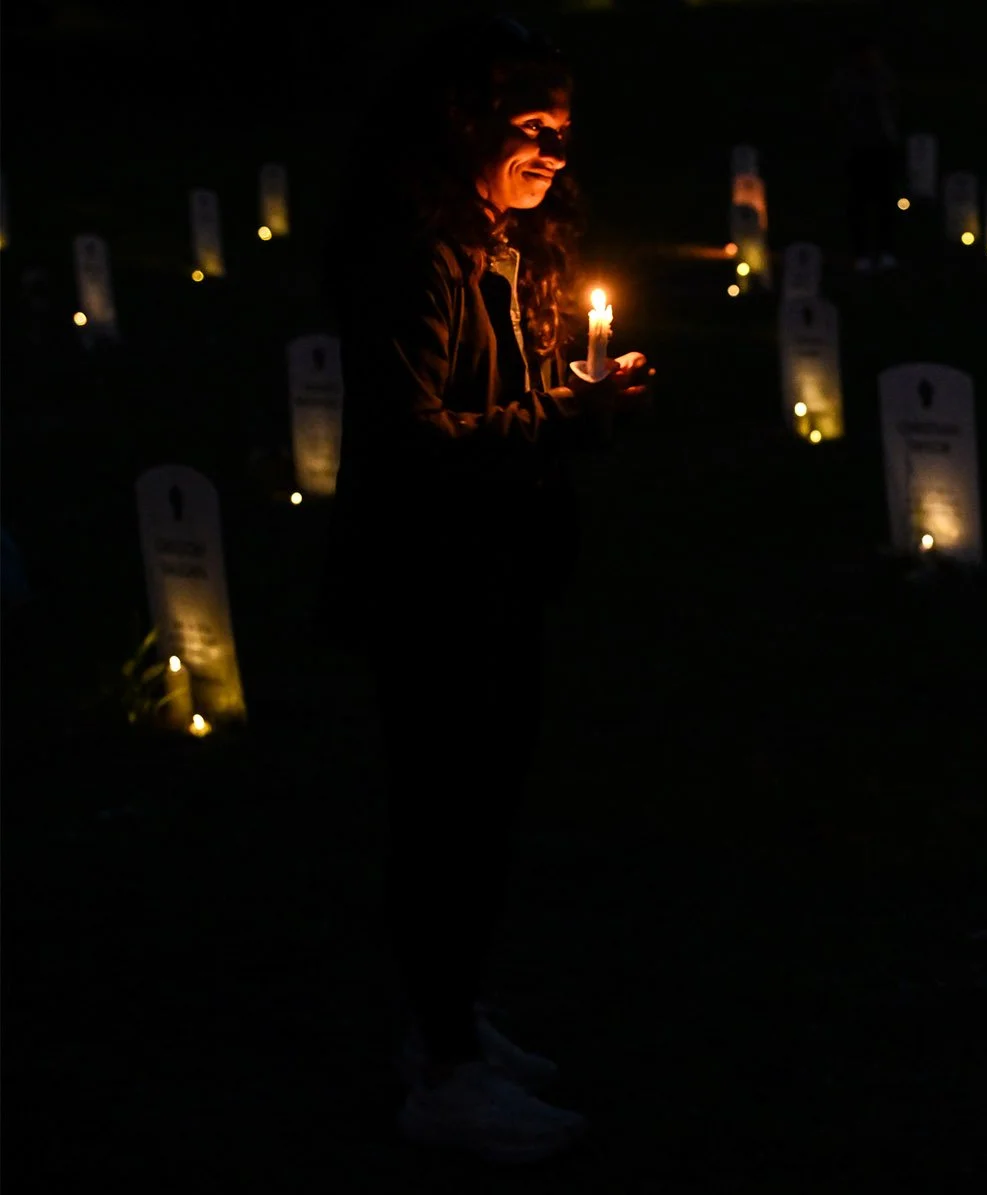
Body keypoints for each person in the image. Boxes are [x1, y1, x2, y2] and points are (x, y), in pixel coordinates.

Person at [318, 16, 651, 1164]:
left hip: (505, 569)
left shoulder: (511, 249)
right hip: (431, 582)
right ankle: (445, 1072)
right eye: (531, 125)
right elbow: (415, 442)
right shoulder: (419, 256)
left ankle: (451, 1021)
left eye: (565, 130)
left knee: (485, 813)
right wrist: (566, 412)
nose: (556, 149)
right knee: (443, 818)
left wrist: (584, 396)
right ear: (462, 121)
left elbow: (512, 417)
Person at [830, 35, 900, 272]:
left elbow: (891, 108)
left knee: (884, 201)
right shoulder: (848, 80)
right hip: (859, 146)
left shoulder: (883, 77)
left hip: (881, 146)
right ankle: (861, 252)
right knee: (859, 202)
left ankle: (886, 250)